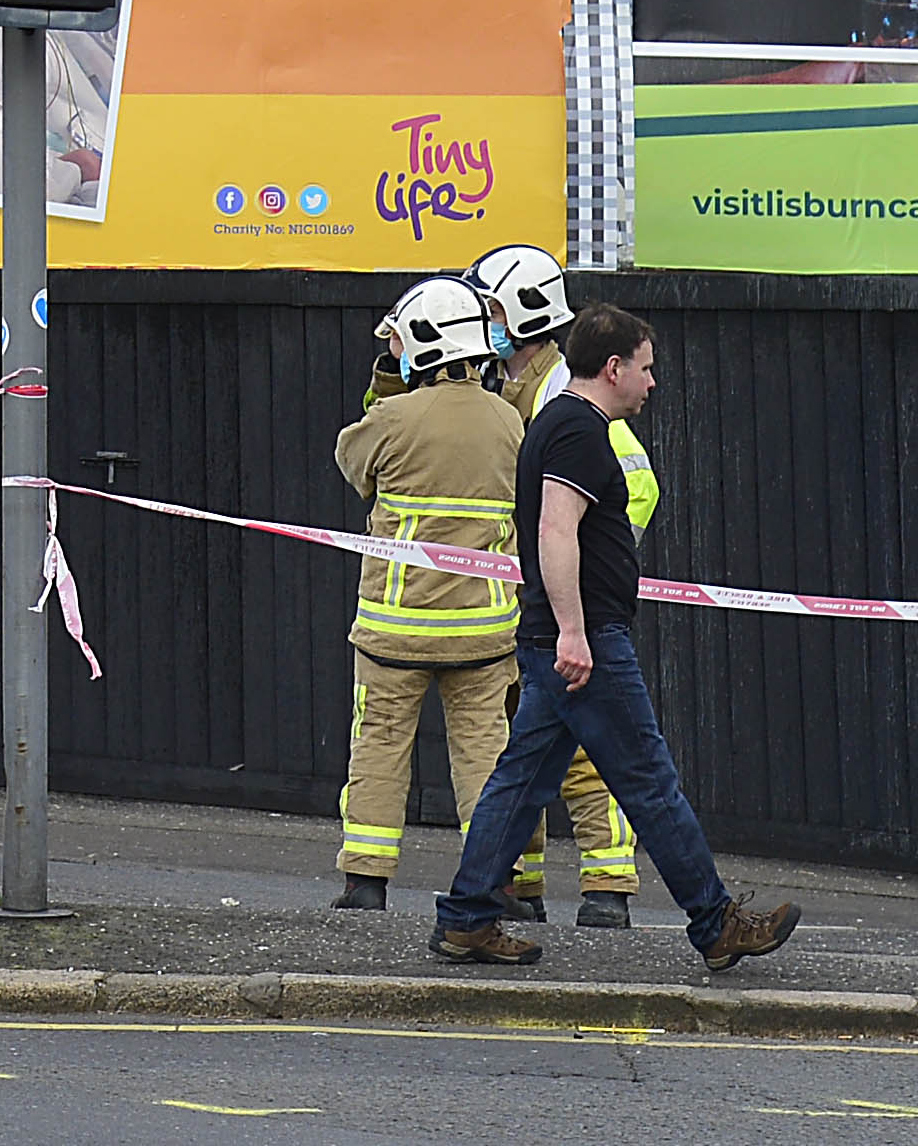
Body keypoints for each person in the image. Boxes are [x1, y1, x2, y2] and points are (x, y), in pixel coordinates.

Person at [428, 306, 797, 976]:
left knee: (521, 781)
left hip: (559, 635)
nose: (651, 382)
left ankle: (465, 919)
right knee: (648, 780)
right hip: (584, 640)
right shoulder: (576, 429)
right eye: (646, 367)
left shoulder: (560, 423)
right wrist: (573, 631)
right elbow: (555, 531)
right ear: (613, 366)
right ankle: (715, 923)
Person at [331, 276, 523, 913]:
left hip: (397, 628)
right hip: (482, 630)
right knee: (485, 757)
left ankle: (366, 881)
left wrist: (387, 380)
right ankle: (494, 882)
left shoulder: (392, 418)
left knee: (381, 745)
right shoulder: (510, 421)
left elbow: (353, 465)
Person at [470, 244, 641, 929]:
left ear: (521, 311)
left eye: (490, 310)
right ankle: (522, 885)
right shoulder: (501, 383)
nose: (482, 321)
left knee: (591, 752)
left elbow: (635, 487)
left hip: (567, 611)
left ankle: (608, 886)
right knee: (536, 750)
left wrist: (582, 577)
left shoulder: (555, 395)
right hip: (537, 606)